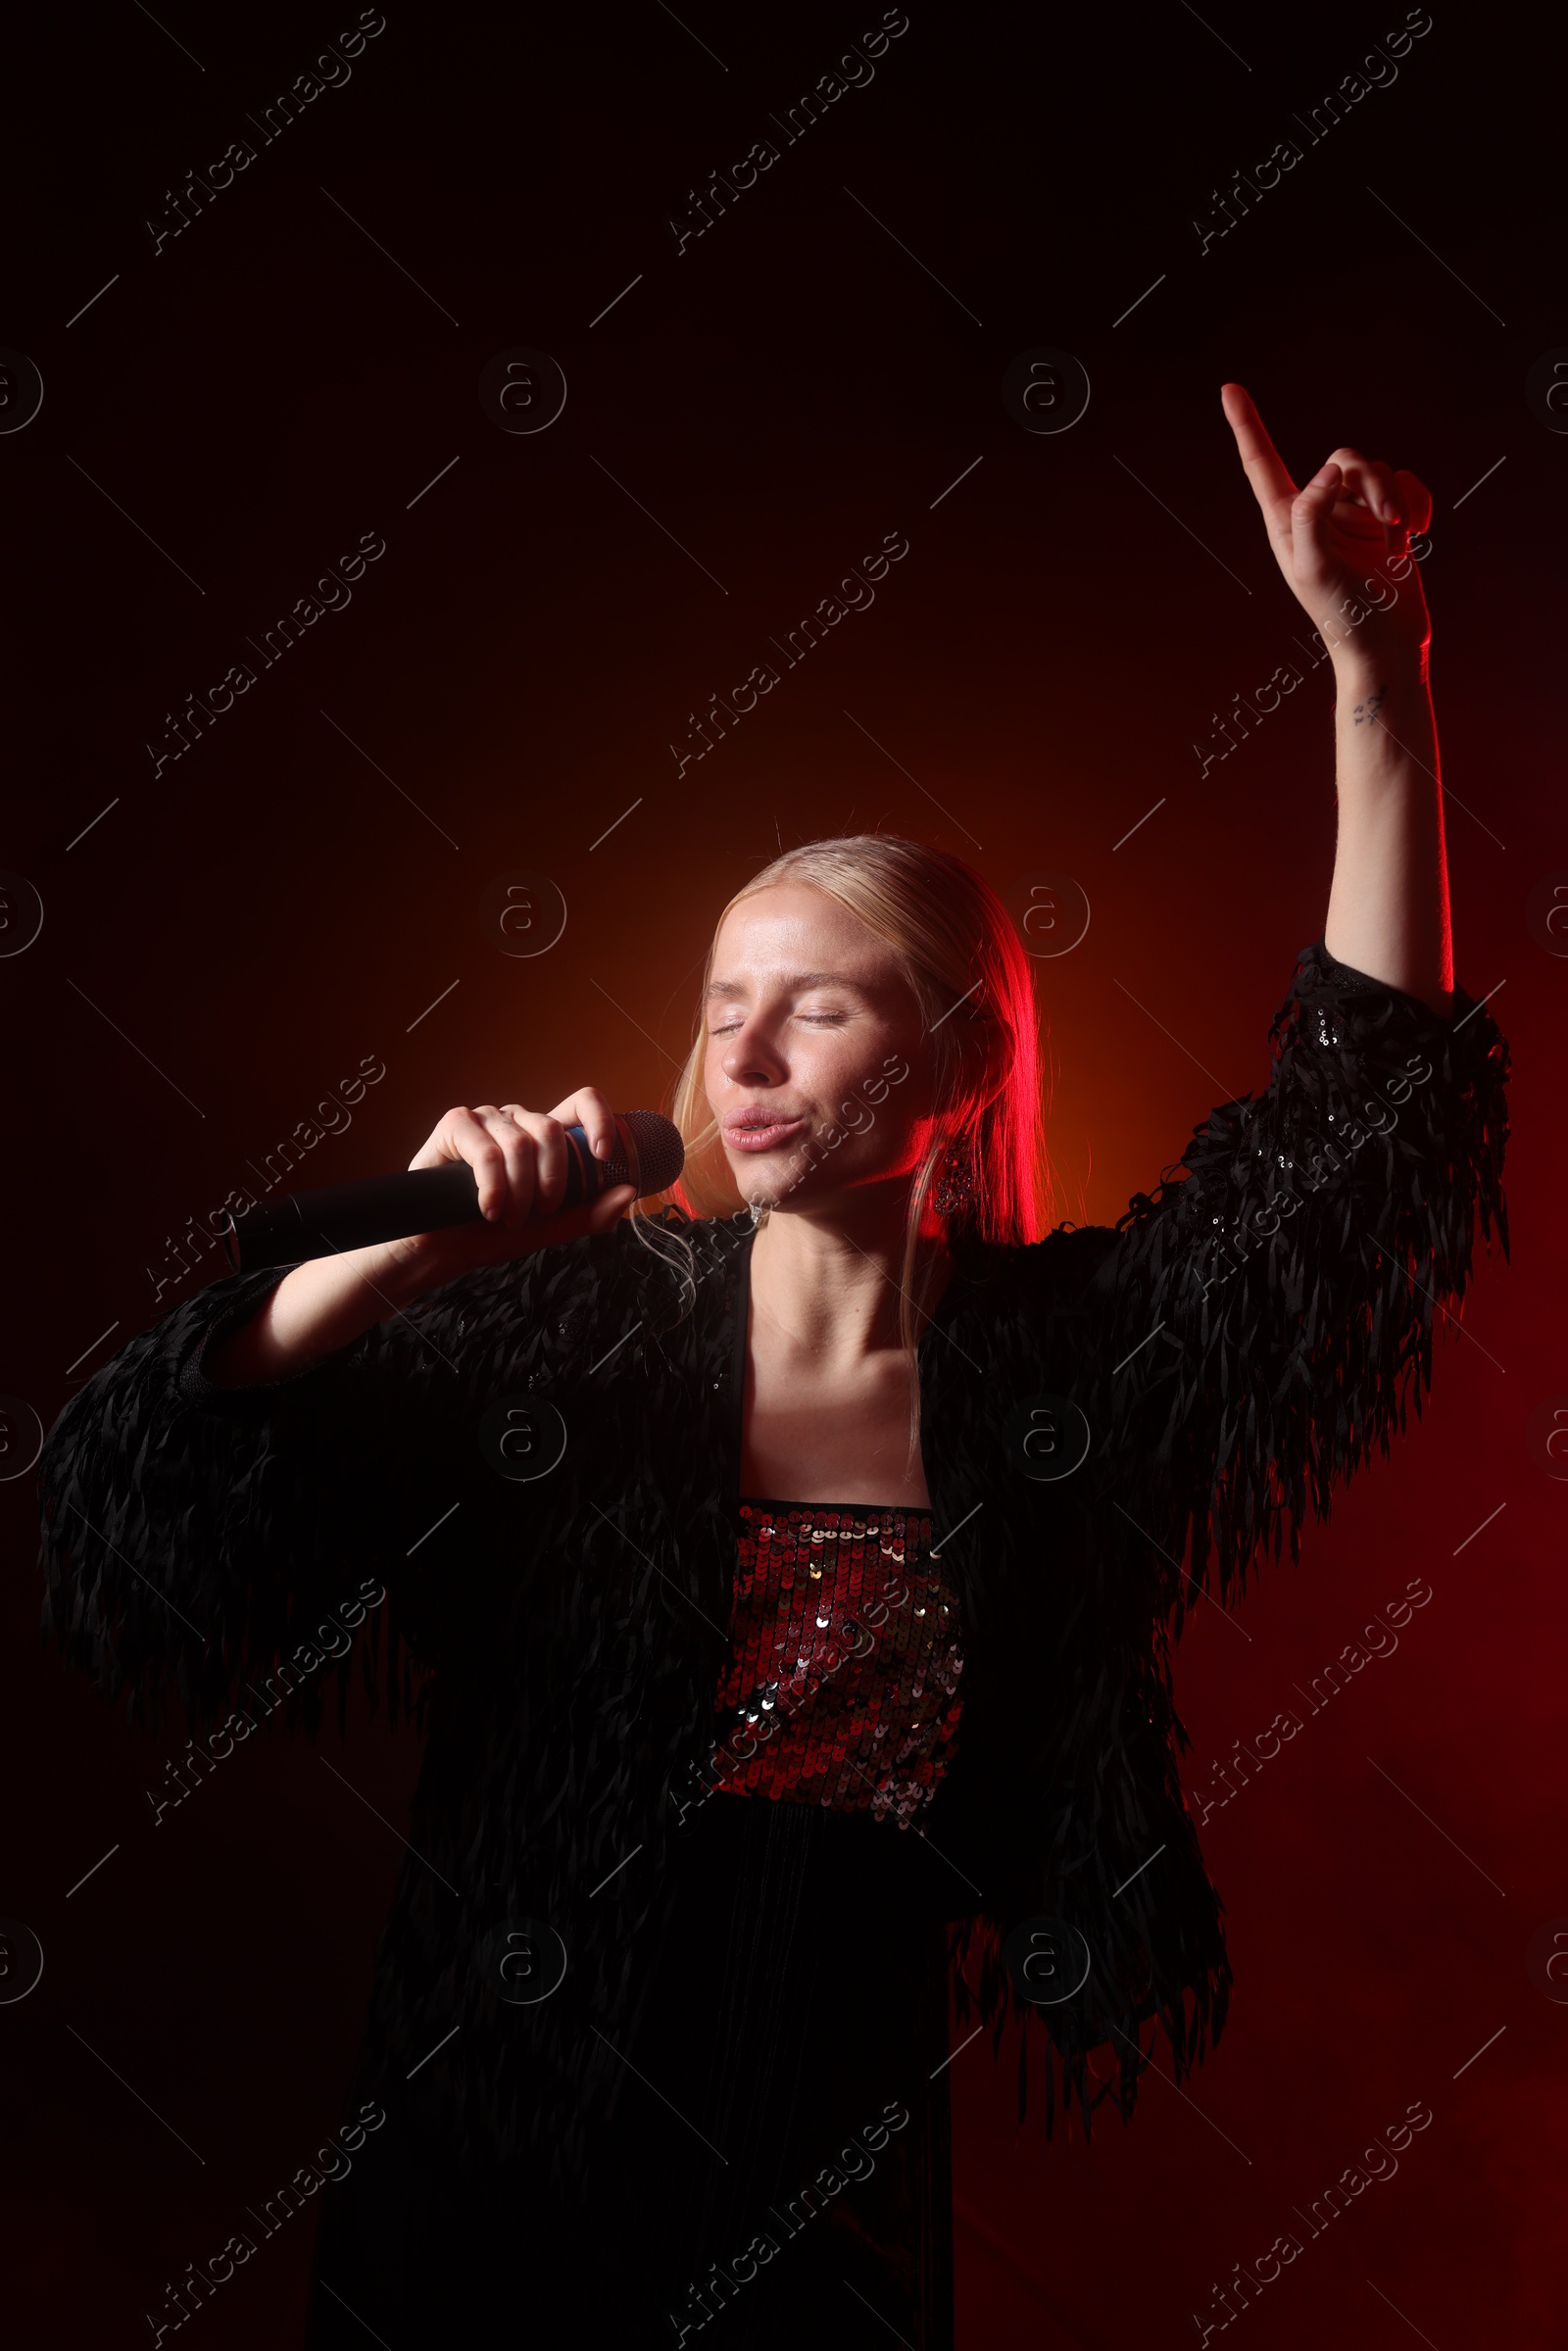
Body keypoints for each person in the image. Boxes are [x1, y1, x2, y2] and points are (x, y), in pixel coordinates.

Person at [36, 387, 1509, 2348]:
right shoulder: (573, 1329)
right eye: (720, 1007)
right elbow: (143, 1508)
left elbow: (1349, 1158)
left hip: (829, 2187)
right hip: (486, 2168)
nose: (738, 1058)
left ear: (960, 1061)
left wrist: (1368, 673)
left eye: (810, 1009)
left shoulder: (1056, 1365)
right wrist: (416, 1256)